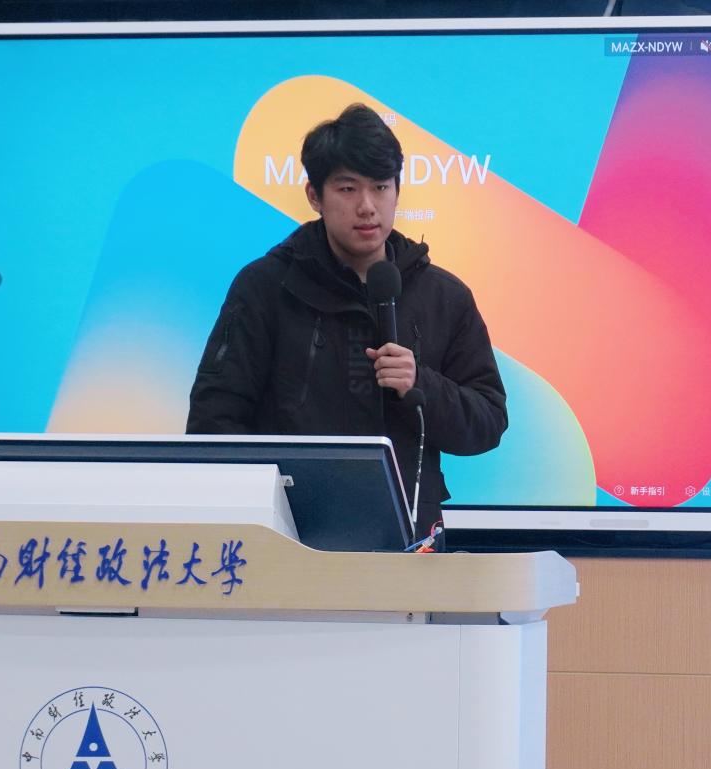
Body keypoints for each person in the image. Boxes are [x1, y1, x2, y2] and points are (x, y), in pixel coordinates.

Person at [186, 103, 507, 541]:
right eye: (348, 189)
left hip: (411, 544)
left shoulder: (444, 296)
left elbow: (488, 422)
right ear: (314, 196)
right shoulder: (265, 288)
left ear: (398, 190)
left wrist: (422, 384)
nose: (367, 207)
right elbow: (213, 421)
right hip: (291, 538)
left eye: (381, 187)